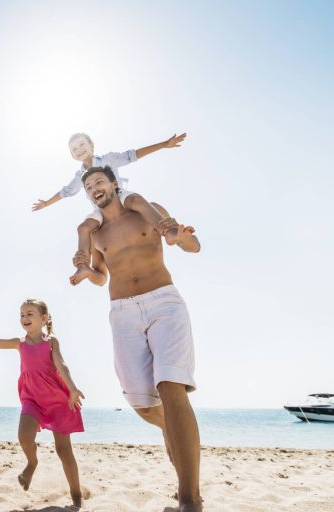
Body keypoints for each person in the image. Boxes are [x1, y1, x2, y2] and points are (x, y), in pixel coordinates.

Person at [75, 166, 203, 512]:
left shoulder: (145, 208)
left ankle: (190, 500)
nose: (94, 188)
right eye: (89, 186)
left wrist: (181, 237)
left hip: (163, 302)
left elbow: (191, 245)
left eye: (100, 181)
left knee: (170, 386)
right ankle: (176, 427)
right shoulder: (97, 234)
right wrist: (89, 272)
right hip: (123, 313)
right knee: (144, 405)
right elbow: (102, 276)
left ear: (114, 184)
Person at [0, 299, 85, 507]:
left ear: (43, 318)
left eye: (30, 314)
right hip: (32, 398)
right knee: (24, 436)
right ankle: (32, 462)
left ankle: (76, 496)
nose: (24, 318)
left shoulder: (51, 342)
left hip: (57, 399)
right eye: (21, 315)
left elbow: (62, 365)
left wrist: (72, 388)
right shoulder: (19, 343)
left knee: (64, 450)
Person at [31, 132, 187, 285]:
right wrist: (46, 203)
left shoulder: (107, 159)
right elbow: (66, 192)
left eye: (82, 144)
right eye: (74, 149)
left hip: (119, 197)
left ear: (91, 145)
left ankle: (169, 232)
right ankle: (83, 267)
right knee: (83, 228)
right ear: (72, 155)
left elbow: (132, 155)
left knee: (138, 201)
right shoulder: (79, 176)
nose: (79, 150)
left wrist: (164, 145)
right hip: (100, 208)